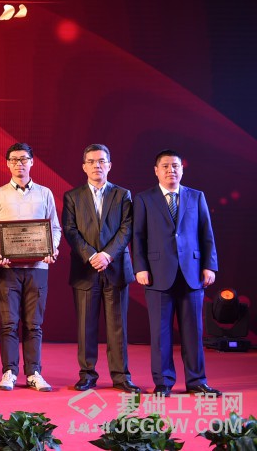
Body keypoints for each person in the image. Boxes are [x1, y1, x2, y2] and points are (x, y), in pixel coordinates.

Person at [133, 149, 220, 397]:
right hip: (157, 273)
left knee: (194, 332)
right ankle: (163, 382)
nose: (171, 170)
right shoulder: (144, 199)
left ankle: (197, 381)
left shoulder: (196, 196)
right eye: (165, 166)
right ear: (156, 171)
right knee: (160, 334)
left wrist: (209, 265)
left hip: (192, 273)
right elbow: (138, 237)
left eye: (175, 166)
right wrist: (140, 267)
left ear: (182, 169)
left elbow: (206, 233)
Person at [0, 142, 61, 392]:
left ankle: (34, 372)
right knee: (9, 323)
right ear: (7, 164)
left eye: (24, 159)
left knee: (34, 324)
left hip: (38, 268)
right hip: (8, 269)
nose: (19, 163)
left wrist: (52, 248)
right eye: (14, 159)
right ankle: (9, 372)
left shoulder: (45, 193)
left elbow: (55, 227)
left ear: (32, 162)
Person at [62, 144, 140, 393]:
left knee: (118, 326)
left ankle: (121, 376)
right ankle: (87, 374)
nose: (97, 165)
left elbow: (127, 228)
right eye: (92, 161)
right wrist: (91, 255)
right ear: (84, 166)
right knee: (86, 326)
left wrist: (107, 255)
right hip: (85, 270)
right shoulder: (72, 196)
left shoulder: (123, 194)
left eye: (102, 161)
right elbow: (70, 230)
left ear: (109, 165)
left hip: (115, 268)